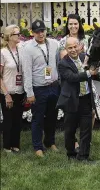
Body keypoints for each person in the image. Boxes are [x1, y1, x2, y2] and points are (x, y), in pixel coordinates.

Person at [57, 37, 100, 162]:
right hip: (71, 101)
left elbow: (90, 75)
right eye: (70, 48)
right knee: (70, 130)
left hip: (85, 99)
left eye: (75, 47)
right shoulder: (63, 63)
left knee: (86, 130)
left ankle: (84, 156)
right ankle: (71, 154)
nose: (73, 50)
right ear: (66, 49)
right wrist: (90, 73)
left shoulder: (84, 57)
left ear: (79, 46)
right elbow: (73, 77)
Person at [57, 14, 100, 152]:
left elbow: (90, 63)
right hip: (73, 88)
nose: (73, 26)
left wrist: (98, 75)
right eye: (70, 24)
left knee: (89, 115)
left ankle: (84, 146)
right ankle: (73, 146)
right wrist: (88, 72)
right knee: (71, 124)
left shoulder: (86, 40)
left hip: (86, 86)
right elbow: (70, 71)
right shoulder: (63, 47)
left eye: (75, 24)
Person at [22, 20, 60, 157]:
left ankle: (50, 142)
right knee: (38, 118)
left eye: (42, 31)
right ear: (32, 33)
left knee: (52, 117)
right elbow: (26, 71)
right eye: (37, 32)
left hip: (53, 86)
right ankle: (38, 146)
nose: (40, 34)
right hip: (39, 88)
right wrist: (30, 93)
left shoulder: (54, 44)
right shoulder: (27, 48)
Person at [0, 25, 25, 153]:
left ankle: (16, 144)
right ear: (10, 36)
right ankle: (6, 146)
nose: (19, 35)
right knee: (8, 120)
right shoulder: (3, 52)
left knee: (17, 120)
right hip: (7, 91)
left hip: (20, 91)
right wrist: (6, 94)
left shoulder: (21, 49)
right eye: (17, 34)